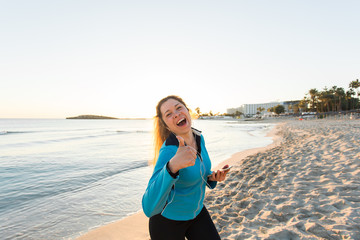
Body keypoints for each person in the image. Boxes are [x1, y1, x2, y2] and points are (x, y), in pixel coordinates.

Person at [142, 95, 230, 240]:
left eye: (179, 108)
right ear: (165, 125)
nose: (176, 114)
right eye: (169, 114)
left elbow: (200, 172)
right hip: (167, 222)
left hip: (197, 213)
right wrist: (172, 166)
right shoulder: (169, 151)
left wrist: (212, 176)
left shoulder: (199, 138)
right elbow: (148, 207)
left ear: (188, 111)